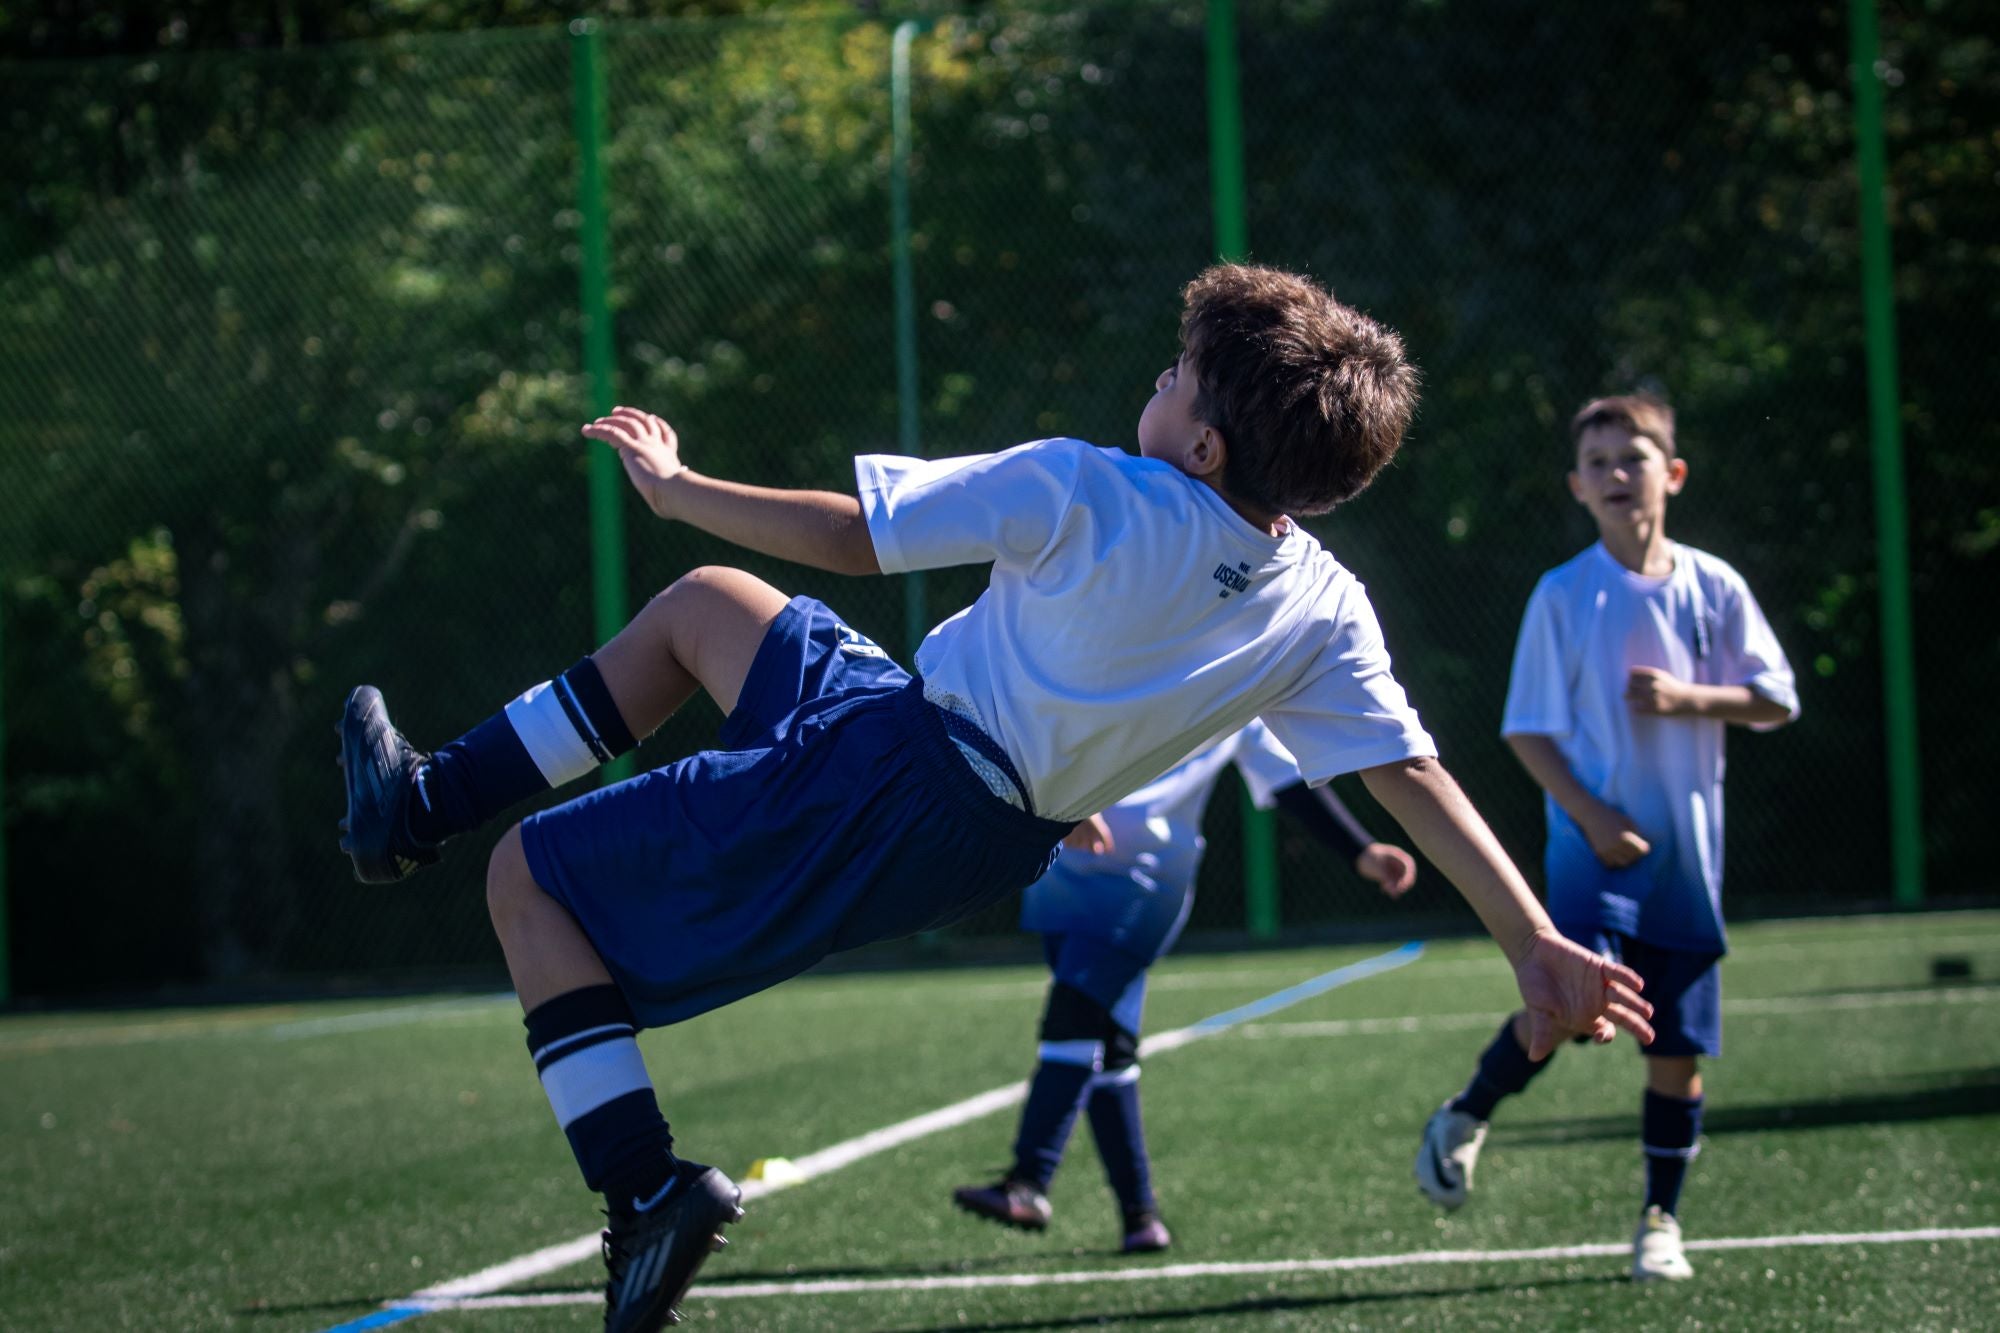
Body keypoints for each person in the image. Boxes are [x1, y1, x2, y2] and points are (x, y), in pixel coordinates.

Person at [338, 264, 1653, 1333]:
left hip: (890, 773)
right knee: (706, 611)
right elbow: (1409, 775)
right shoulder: (1321, 602)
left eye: (1177, 371)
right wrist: (1533, 939)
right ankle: (415, 806)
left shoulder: (1089, 484)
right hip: (958, 799)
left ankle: (643, 1193)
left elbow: (855, 536)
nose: (1157, 377)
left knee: (528, 878)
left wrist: (681, 490)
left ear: (1203, 442)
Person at [1412, 393, 1797, 1282]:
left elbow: (1776, 698)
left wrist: (1690, 698)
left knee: (1675, 1049)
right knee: (1570, 1012)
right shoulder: (1563, 593)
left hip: (1685, 862)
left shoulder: (1715, 587)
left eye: (1634, 456)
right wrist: (1591, 817)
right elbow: (1527, 730)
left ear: (1674, 473)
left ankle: (1660, 1220)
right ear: (1577, 487)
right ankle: (1467, 1112)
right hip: (1593, 855)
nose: (1617, 473)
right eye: (1598, 462)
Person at [951, 720, 1417, 1253]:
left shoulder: (1244, 691)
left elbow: (1288, 783)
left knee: (1072, 1016)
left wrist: (1360, 852)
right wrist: (1069, 805)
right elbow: (1043, 724)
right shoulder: (1116, 665)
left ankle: (1030, 1179)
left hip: (1147, 882)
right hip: (1063, 864)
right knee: (1109, 1046)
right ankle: (1140, 1217)